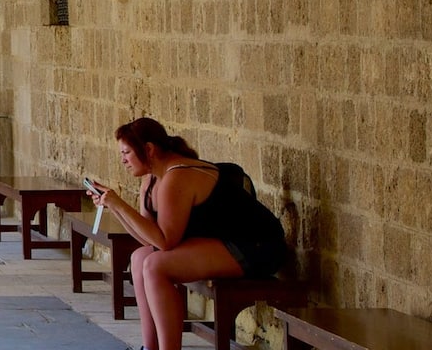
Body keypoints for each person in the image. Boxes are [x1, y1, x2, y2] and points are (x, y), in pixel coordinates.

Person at [85, 117, 290, 350]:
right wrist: (112, 205)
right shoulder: (151, 179)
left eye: (126, 152)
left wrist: (119, 205)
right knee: (139, 257)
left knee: (155, 266)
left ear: (149, 149)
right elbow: (149, 239)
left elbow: (164, 242)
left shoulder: (177, 176)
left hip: (256, 246)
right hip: (220, 243)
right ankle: (149, 347)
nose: (123, 160)